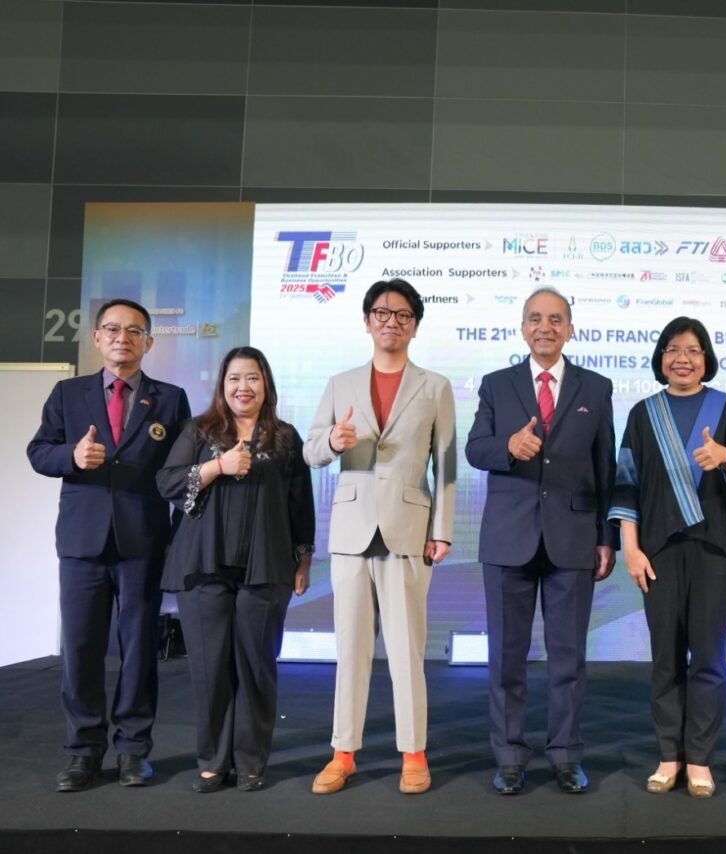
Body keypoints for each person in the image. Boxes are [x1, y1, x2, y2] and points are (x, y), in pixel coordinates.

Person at [28, 298, 191, 792]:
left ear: (149, 342)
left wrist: (178, 537)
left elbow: (180, 472)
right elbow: (39, 451)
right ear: (97, 337)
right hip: (82, 541)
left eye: (134, 330)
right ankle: (83, 751)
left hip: (143, 540)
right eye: (113, 329)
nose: (123, 338)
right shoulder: (68, 392)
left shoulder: (170, 399)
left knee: (139, 648)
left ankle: (133, 750)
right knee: (81, 648)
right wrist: (73, 456)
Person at [303, 278, 456, 796]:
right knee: (351, 649)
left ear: (415, 326)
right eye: (383, 313)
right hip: (351, 531)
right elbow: (310, 451)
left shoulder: (435, 386)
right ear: (367, 321)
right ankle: (343, 753)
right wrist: (332, 440)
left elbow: (446, 464)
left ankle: (414, 753)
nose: (392, 322)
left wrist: (442, 531)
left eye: (403, 315)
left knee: (407, 651)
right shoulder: (340, 383)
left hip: (409, 530)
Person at [465, 287, 617, 795]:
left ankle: (566, 755)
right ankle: (509, 756)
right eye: (535, 318)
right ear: (522, 328)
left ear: (570, 329)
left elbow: (604, 466)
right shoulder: (497, 385)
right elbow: (475, 449)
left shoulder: (596, 387)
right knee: (506, 659)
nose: (545, 327)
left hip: (573, 538)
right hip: (508, 539)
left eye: (555, 319)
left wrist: (606, 537)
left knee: (568, 659)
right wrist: (508, 446)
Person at [608, 317, 726, 798]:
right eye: (673, 349)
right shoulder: (643, 413)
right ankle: (668, 756)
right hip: (658, 552)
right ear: (661, 358)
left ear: (706, 358)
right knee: (665, 658)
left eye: (693, 350)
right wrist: (630, 548)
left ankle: (699, 759)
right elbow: (626, 483)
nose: (683, 359)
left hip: (714, 550)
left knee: (709, 658)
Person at [157, 346, 315, 792]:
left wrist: (303, 558)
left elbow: (300, 505)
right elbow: (167, 481)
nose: (243, 387)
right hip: (202, 565)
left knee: (256, 668)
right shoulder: (199, 430)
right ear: (222, 386)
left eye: (252, 378)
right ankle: (212, 760)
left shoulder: (285, 437)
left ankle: (251, 761)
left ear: (266, 385)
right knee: (209, 669)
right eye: (234, 379)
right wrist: (216, 466)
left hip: (266, 568)